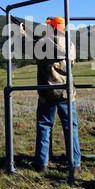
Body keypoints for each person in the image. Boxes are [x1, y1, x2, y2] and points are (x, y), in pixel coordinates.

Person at [18, 17, 81, 173]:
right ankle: (75, 164)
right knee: (70, 128)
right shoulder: (70, 44)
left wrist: (21, 33)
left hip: (48, 93)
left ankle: (41, 163)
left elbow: (24, 48)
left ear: (53, 28)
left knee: (44, 126)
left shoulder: (43, 44)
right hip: (67, 93)